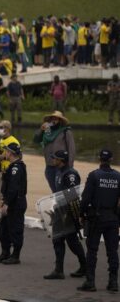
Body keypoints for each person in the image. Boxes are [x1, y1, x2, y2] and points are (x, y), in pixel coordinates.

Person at [78, 149, 120, 292]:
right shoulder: (118, 177)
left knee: (92, 250)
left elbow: (85, 198)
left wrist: (81, 214)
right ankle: (113, 282)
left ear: (99, 159)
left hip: (96, 217)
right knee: (113, 251)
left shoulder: (94, 176)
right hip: (113, 218)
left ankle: (90, 282)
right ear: (111, 159)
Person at [43, 150, 87, 280]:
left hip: (67, 213)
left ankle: (84, 266)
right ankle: (59, 270)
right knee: (57, 240)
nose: (53, 160)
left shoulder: (70, 174)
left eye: (55, 158)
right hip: (59, 211)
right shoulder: (59, 171)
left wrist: (74, 215)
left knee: (72, 241)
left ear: (61, 160)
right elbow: (58, 192)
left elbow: (72, 196)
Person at [0, 142, 27, 265]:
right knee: (4, 230)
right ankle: (5, 253)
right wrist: (2, 200)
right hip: (9, 201)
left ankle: (15, 255)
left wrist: (6, 203)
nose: (4, 153)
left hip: (15, 203)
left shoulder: (16, 168)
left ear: (11, 153)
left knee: (16, 229)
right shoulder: (12, 166)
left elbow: (13, 188)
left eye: (6, 151)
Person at [33, 111, 75, 192]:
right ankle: (58, 204)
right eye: (52, 118)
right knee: (55, 192)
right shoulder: (47, 131)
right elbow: (36, 140)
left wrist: (70, 167)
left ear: (60, 121)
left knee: (63, 191)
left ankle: (64, 205)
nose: (53, 120)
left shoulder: (66, 131)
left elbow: (72, 149)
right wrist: (41, 130)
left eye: (56, 119)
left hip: (62, 167)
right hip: (49, 166)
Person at [0, 121, 20, 225]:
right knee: (0, 194)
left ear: (7, 129)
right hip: (0, 171)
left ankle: (6, 216)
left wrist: (5, 156)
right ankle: (1, 215)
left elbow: (19, 157)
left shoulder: (13, 141)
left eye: (1, 127)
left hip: (9, 171)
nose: (0, 129)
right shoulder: (0, 141)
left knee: (9, 194)